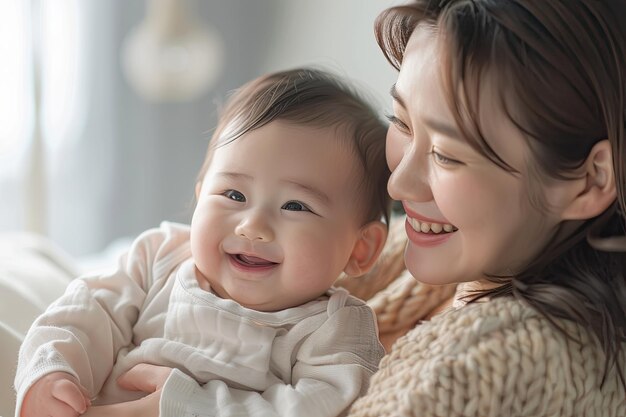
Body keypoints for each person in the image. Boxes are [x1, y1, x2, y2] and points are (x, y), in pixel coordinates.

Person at [77, 0, 626, 416]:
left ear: (588, 180)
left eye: (448, 155)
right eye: (402, 123)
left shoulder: (479, 371)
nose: (398, 180)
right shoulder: (463, 260)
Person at [14, 67, 392, 417]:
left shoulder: (333, 329)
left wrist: (186, 405)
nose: (252, 226)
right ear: (200, 197)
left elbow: (325, 405)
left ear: (361, 248)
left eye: (295, 205)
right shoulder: (158, 258)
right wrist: (53, 370)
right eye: (233, 194)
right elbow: (83, 314)